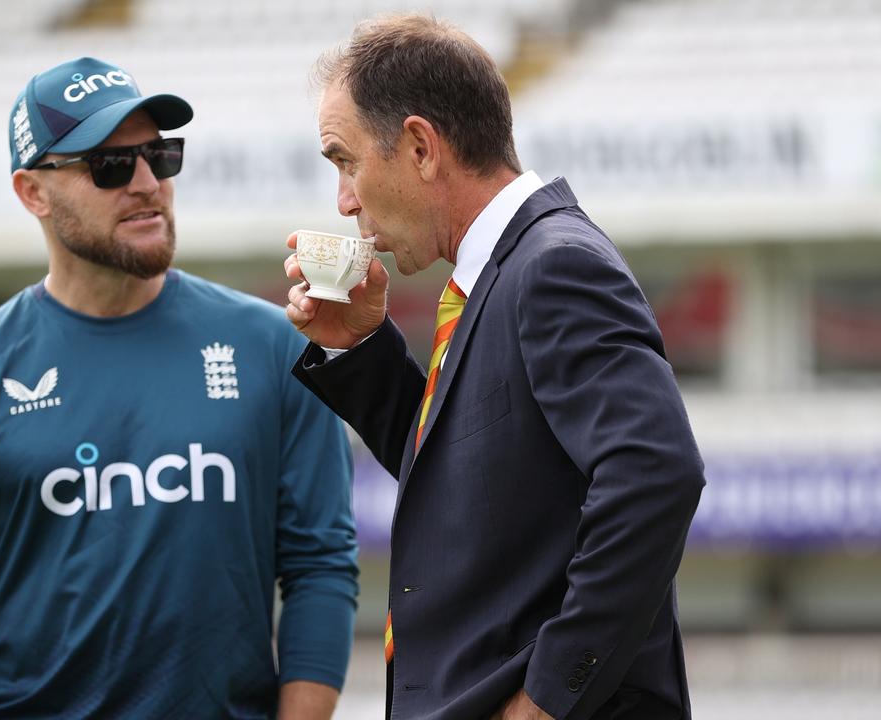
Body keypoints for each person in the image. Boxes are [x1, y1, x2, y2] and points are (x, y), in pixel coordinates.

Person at [0, 56, 358, 719]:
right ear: (32, 192)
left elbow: (321, 566)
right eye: (109, 165)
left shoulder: (276, 347)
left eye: (159, 156)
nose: (145, 183)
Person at [284, 15, 705, 720]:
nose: (344, 200)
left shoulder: (554, 266)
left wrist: (546, 698)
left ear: (420, 146)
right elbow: (475, 481)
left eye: (344, 160)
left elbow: (657, 473)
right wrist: (360, 348)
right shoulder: (503, 274)